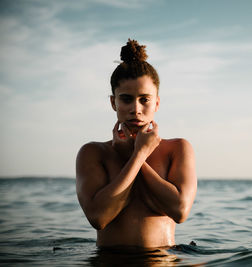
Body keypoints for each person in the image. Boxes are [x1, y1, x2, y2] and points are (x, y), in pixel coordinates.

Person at [75, 38, 197, 248]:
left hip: (162, 260)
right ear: (114, 102)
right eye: (126, 99)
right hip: (109, 262)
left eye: (144, 99)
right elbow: (98, 218)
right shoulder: (94, 152)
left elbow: (180, 211)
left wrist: (137, 156)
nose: (136, 109)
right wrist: (137, 155)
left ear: (157, 102)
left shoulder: (177, 149)